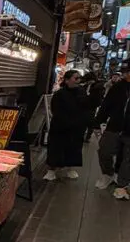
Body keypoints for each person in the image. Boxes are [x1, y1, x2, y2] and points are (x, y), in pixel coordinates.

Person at [44, 71, 91, 181]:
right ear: (67, 80)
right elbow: (55, 109)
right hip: (60, 126)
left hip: (77, 127)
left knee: (74, 148)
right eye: (76, 78)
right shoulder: (59, 93)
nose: (78, 80)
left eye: (79, 78)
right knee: (56, 148)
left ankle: (70, 168)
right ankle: (51, 170)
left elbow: (86, 108)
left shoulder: (82, 92)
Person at [95, 61, 130, 196]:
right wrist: (98, 122)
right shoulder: (118, 87)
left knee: (128, 158)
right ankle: (108, 174)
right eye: (126, 72)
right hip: (115, 125)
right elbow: (106, 105)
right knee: (104, 151)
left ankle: (122, 184)